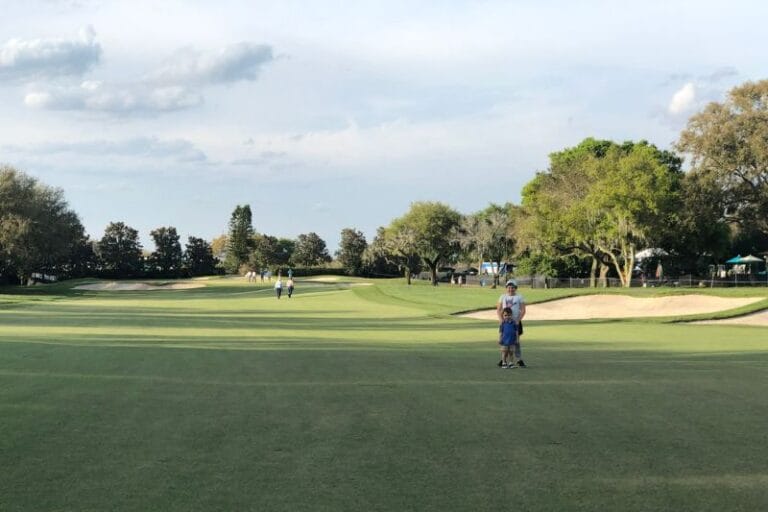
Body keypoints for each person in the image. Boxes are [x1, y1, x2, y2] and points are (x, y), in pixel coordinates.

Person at [496, 279, 527, 367]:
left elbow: (523, 310)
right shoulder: (503, 297)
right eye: (509, 288)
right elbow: (498, 310)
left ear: (515, 288)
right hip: (505, 323)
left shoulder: (519, 297)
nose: (510, 289)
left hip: (515, 323)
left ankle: (519, 359)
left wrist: (518, 320)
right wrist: (501, 319)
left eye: (512, 288)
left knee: (516, 342)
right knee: (504, 340)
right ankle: (503, 360)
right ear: (506, 288)